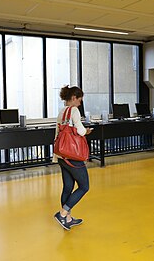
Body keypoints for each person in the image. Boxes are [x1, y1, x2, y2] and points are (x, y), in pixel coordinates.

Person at [54, 85, 92, 231]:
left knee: (68, 187)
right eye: (80, 100)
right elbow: (81, 131)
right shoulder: (74, 110)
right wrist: (87, 131)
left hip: (62, 155)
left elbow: (58, 133)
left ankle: (68, 219)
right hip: (73, 156)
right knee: (84, 186)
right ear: (74, 98)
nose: (80, 103)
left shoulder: (61, 112)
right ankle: (63, 214)